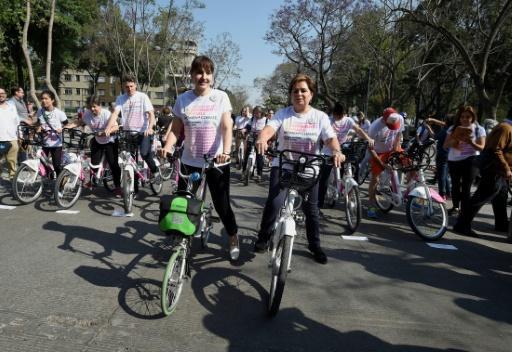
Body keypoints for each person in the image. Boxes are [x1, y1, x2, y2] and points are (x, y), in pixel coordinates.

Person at [253, 73, 345, 264]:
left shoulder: (319, 117)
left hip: (310, 169)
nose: (299, 94)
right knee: (275, 202)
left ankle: (314, 245)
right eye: (295, 91)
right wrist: (262, 139)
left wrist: (336, 151)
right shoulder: (283, 114)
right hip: (284, 165)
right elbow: (270, 129)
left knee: (311, 211)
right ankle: (264, 236)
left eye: (304, 90)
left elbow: (329, 138)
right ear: (290, 94)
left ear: (311, 94)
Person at [160, 55, 240, 261]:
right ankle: (181, 238)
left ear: (212, 76)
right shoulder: (183, 99)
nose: (203, 77)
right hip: (190, 161)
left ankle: (232, 236)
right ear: (192, 75)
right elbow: (176, 130)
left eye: (207, 72)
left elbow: (226, 126)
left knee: (222, 206)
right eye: (199, 72)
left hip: (217, 161)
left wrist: (227, 151)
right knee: (182, 201)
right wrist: (167, 147)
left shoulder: (220, 97)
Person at [453, 106, 512, 238]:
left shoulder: (507, 127)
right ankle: (462, 224)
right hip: (494, 170)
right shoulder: (505, 128)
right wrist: (507, 169)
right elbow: (496, 149)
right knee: (481, 197)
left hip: (499, 171)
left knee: (501, 198)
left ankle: (501, 224)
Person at [318, 102, 374, 208]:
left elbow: (358, 130)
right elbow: (322, 136)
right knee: (324, 179)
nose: (339, 117)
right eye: (337, 115)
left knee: (351, 168)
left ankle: (347, 188)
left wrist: (368, 138)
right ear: (333, 113)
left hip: (343, 151)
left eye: (341, 115)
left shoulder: (348, 120)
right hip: (328, 152)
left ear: (344, 113)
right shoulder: (328, 121)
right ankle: (319, 204)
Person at [105, 75, 159, 180]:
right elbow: (115, 113)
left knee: (144, 154)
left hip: (143, 132)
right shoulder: (120, 98)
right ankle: (133, 189)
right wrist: (108, 127)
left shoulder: (142, 97)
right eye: (127, 87)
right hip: (128, 133)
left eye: (131, 86)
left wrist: (150, 127)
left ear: (135, 86)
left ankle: (154, 170)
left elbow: (151, 114)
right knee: (129, 159)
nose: (129, 89)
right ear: (124, 87)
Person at [67, 96, 122, 196]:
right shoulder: (87, 114)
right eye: (89, 107)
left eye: (94, 107)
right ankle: (94, 179)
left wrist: (106, 132)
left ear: (99, 105)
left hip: (110, 141)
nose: (92, 109)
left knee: (114, 165)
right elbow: (80, 122)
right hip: (98, 140)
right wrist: (68, 126)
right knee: (94, 164)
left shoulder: (106, 114)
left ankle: (118, 187)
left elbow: (116, 127)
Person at [443, 106, 485, 216]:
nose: (465, 119)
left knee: (466, 187)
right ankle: (456, 207)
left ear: (473, 117)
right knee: (455, 186)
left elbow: (482, 148)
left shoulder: (478, 129)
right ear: (459, 118)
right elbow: (445, 146)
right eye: (462, 117)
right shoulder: (453, 128)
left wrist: (471, 143)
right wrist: (455, 140)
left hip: (471, 160)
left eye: (468, 117)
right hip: (454, 160)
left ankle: (464, 210)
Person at [367, 107, 404, 219]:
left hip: (392, 149)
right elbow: (371, 149)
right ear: (384, 120)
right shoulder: (374, 128)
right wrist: (382, 165)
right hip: (378, 152)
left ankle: (412, 195)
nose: (393, 128)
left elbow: (398, 134)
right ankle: (371, 206)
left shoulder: (400, 119)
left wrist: (396, 150)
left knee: (411, 163)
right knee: (375, 179)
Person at [35, 90, 69, 177]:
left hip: (56, 143)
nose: (43, 101)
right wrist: (38, 127)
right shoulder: (40, 111)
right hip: (44, 142)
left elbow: (67, 125)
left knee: (57, 165)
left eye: (46, 98)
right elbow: (38, 123)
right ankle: (49, 174)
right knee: (42, 163)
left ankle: (61, 182)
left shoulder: (60, 113)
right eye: (42, 99)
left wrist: (61, 128)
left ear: (52, 100)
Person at [0, 87, 25, 179]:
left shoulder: (11, 106)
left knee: (12, 160)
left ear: (6, 95)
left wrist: (20, 135)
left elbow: (17, 121)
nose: (1, 95)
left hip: (12, 138)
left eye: (2, 93)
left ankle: (13, 179)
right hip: (0, 138)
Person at [243, 106, 267, 182]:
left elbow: (268, 129)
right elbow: (248, 126)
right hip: (252, 137)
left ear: (262, 113)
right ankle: (244, 172)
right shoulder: (252, 119)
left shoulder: (266, 120)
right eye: (255, 112)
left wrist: (263, 134)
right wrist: (244, 129)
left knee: (259, 157)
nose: (256, 114)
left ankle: (259, 174)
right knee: (247, 154)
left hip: (260, 139)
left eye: (258, 112)